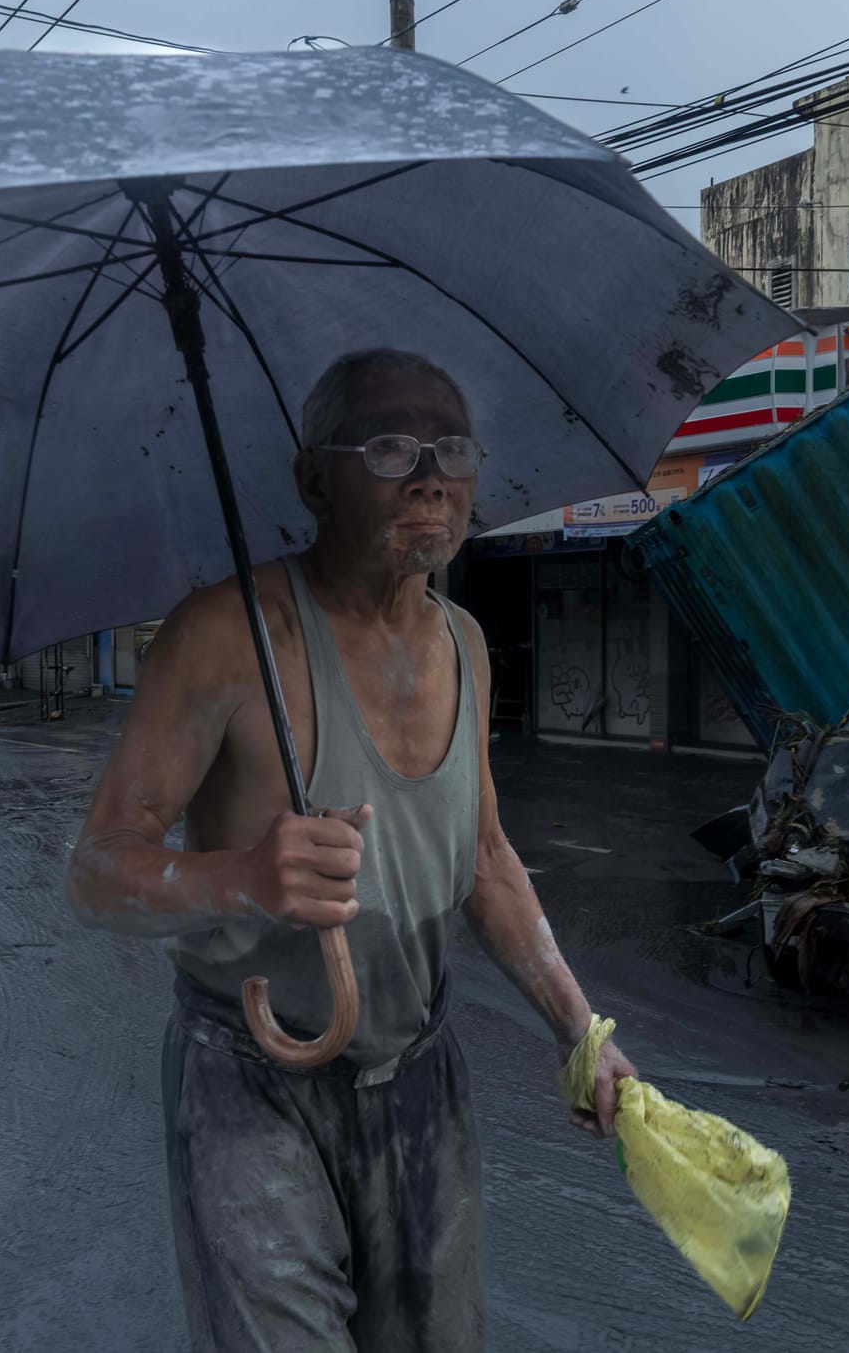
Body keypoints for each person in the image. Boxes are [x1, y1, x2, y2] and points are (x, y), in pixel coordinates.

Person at [66, 349, 636, 1352]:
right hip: (250, 1085)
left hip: (419, 1078)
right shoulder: (225, 635)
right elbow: (98, 869)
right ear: (313, 479)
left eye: (452, 449)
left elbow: (485, 857)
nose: (430, 476)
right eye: (388, 448)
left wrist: (578, 1027)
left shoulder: (465, 643)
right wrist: (238, 877)